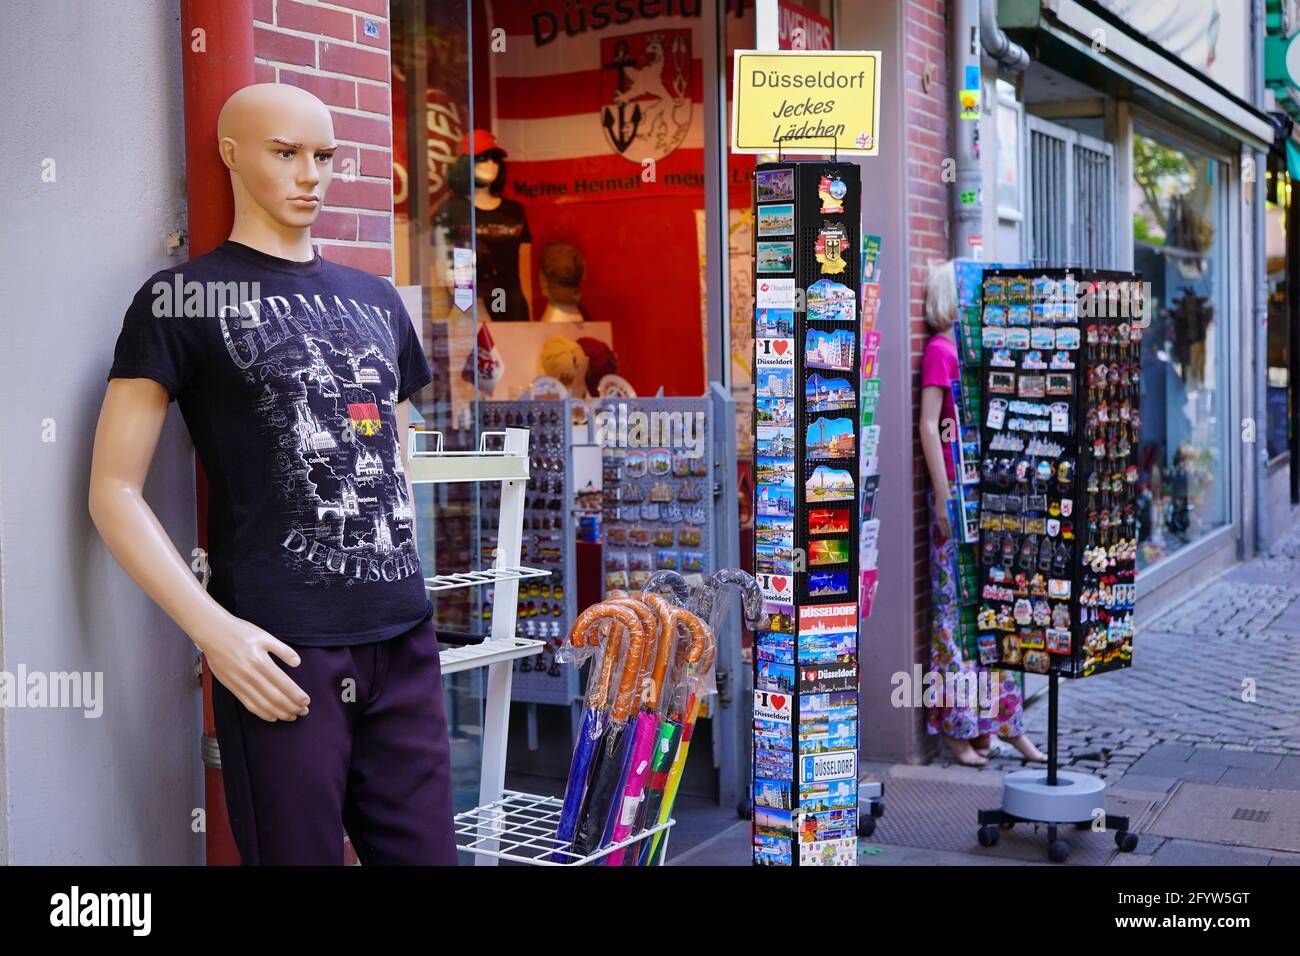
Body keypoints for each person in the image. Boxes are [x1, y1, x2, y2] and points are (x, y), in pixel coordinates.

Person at [88, 84, 457, 864]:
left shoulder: (376, 299)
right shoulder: (181, 299)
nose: (310, 175)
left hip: (403, 635)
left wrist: (407, 581)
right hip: (279, 648)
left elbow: (395, 448)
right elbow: (112, 490)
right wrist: (211, 630)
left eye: (323, 156)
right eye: (285, 153)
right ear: (231, 154)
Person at [919, 261, 1046, 767]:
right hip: (954, 496)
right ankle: (958, 728)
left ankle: (996, 722)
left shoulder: (971, 354)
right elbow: (930, 427)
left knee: (989, 609)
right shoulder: (940, 352)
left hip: (982, 495)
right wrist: (945, 496)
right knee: (952, 614)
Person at [436, 129, 533, 322]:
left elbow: (524, 275)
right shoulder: (451, 212)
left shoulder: (515, 211)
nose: (490, 164)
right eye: (482, 157)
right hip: (469, 308)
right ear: (464, 164)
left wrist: (529, 317)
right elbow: (441, 275)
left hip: (511, 306)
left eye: (495, 158)